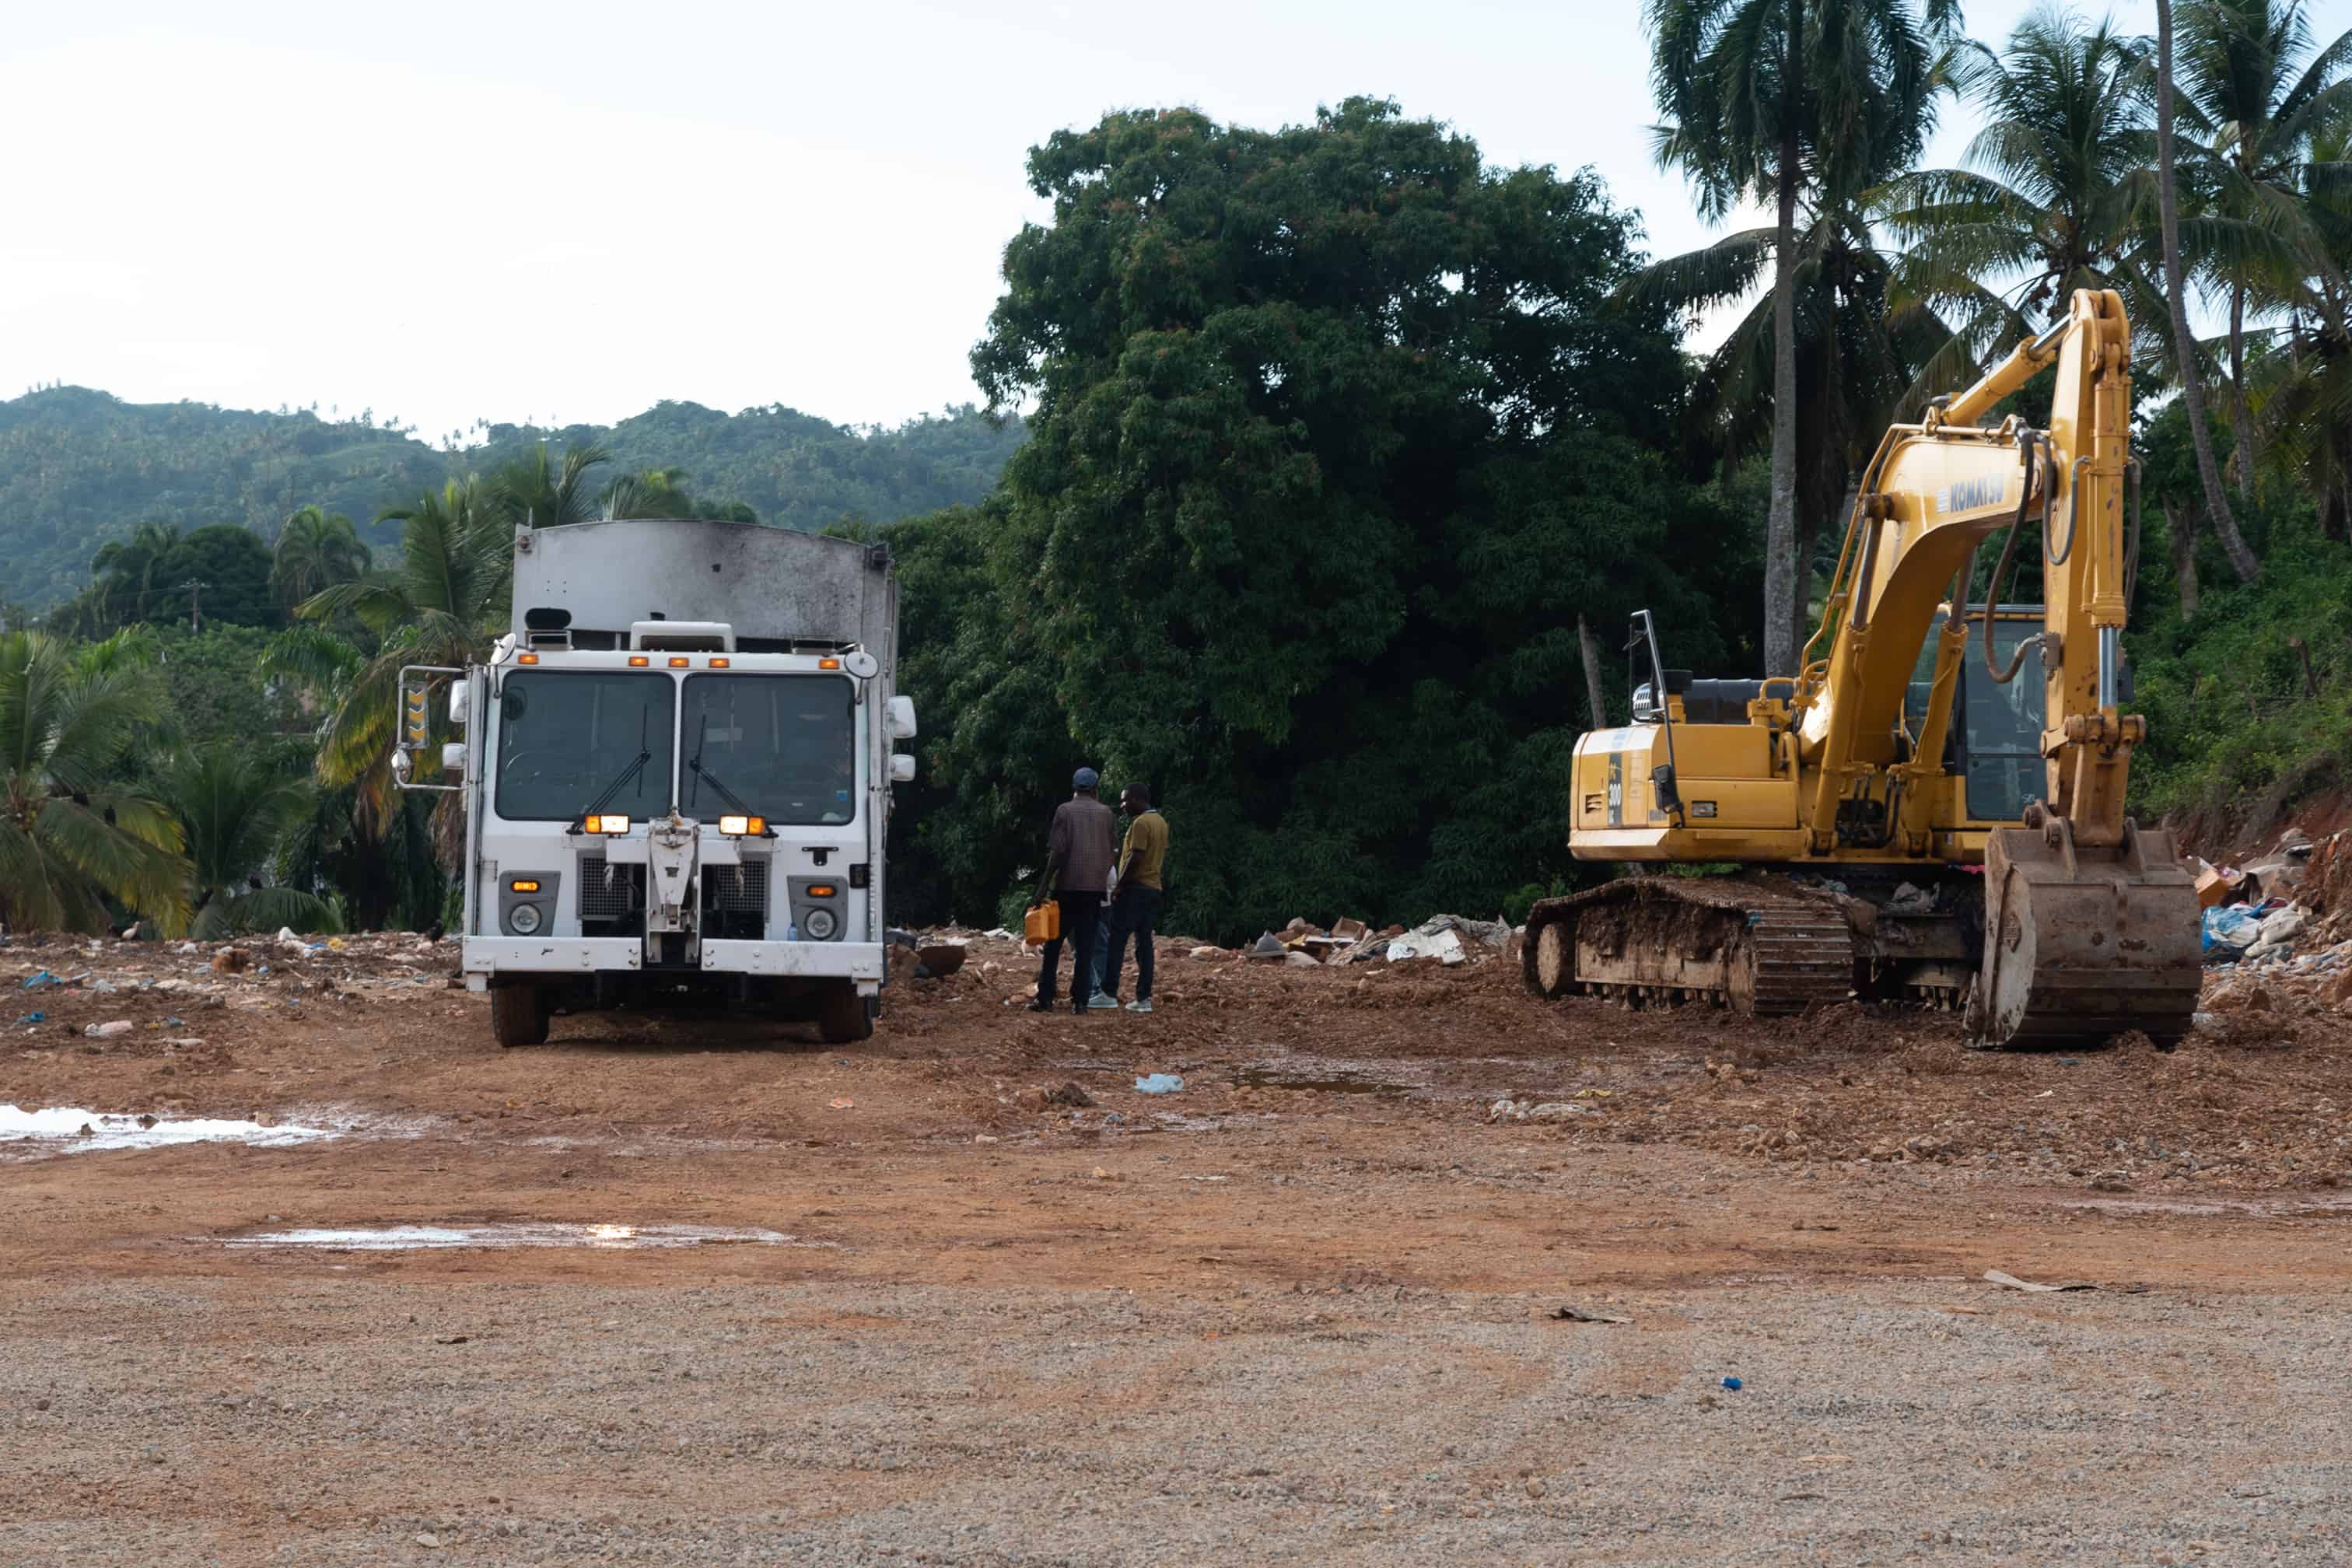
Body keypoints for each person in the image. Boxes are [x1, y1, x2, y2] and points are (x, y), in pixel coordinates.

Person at [1029, 767, 1116, 1015]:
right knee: (1087, 946)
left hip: (1067, 887)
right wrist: (1099, 876)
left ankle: (1046, 997)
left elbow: (1057, 853)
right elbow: (1111, 852)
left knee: (1054, 944)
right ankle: (1080, 1002)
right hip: (1094, 890)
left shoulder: (1064, 811)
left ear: (1074, 788)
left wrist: (1043, 886)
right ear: (1096, 788)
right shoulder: (1107, 814)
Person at [1098, 783, 1167, 1013]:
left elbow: (1136, 857)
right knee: (1144, 943)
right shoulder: (1160, 822)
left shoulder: (1140, 824)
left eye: (1125, 800)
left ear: (1138, 799)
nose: (1123, 806)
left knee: (1116, 940)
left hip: (1135, 889)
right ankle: (1144, 998)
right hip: (1153, 888)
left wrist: (1119, 886)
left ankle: (1108, 993)